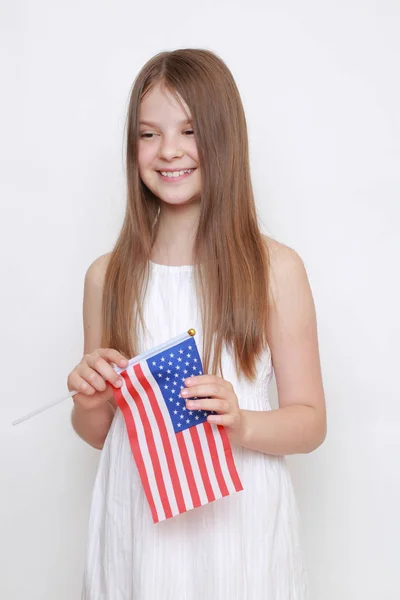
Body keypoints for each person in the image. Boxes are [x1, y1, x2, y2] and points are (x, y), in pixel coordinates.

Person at [68, 48, 326, 600]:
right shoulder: (106, 277)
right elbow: (99, 433)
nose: (168, 151)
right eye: (147, 134)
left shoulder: (275, 269)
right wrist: (89, 399)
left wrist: (243, 423)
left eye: (189, 130)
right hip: (139, 520)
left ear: (223, 136)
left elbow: (310, 422)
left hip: (240, 520)